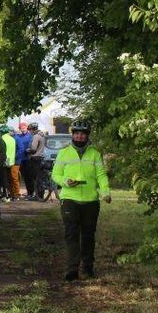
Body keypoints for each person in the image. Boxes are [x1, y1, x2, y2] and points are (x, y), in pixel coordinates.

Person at [51, 120, 111, 281]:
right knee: (71, 233)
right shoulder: (64, 153)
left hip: (90, 200)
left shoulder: (94, 153)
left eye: (82, 134)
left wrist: (105, 192)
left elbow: (101, 175)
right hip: (70, 198)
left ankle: (88, 266)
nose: (79, 136)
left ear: (87, 136)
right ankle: (72, 268)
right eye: (76, 133)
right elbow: (55, 174)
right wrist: (65, 181)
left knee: (88, 235)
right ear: (73, 135)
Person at [24, 122, 46, 201]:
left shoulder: (36, 136)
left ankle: (37, 195)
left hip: (35, 158)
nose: (29, 132)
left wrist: (27, 150)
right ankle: (41, 195)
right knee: (39, 177)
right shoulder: (42, 135)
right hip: (40, 158)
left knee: (34, 178)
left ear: (32, 130)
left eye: (30, 130)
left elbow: (33, 149)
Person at [0, 125, 19, 201]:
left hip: (4, 161)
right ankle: (12, 195)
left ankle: (6, 195)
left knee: (3, 179)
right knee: (10, 178)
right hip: (11, 161)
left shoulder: (2, 139)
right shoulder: (12, 139)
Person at [14, 122, 33, 199]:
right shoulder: (18, 136)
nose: (22, 129)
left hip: (27, 159)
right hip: (19, 159)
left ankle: (30, 192)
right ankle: (18, 192)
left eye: (24, 128)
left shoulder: (31, 136)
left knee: (28, 176)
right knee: (18, 176)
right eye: (21, 128)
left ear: (27, 128)